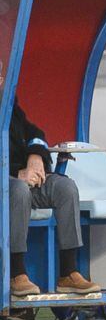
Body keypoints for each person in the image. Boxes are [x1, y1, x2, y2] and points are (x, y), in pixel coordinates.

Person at [8, 95, 99, 297]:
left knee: (65, 187)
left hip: (23, 178)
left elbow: (36, 133)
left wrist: (36, 157)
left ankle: (68, 272)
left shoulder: (8, 105)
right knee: (19, 190)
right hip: (10, 182)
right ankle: (16, 273)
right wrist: (16, 173)